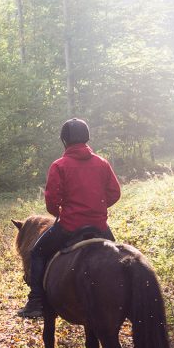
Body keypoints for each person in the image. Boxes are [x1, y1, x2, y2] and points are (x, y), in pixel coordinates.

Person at [17, 118, 121, 319]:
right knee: (118, 256)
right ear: (87, 138)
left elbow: (51, 202)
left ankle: (35, 301)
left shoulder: (59, 165)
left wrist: (62, 213)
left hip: (69, 226)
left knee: (37, 252)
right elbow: (115, 193)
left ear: (64, 141)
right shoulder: (102, 163)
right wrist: (96, 208)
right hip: (99, 226)